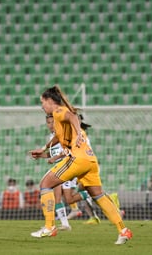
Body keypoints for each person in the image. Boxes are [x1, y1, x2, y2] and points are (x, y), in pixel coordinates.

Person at [29, 85, 133, 245]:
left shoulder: (58, 111)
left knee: (45, 184)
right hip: (90, 160)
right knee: (98, 195)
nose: (42, 106)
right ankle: (123, 230)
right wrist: (43, 151)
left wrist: (77, 133)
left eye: (42, 102)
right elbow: (59, 137)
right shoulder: (59, 120)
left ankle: (49, 227)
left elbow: (72, 117)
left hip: (78, 159)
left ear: (50, 101)